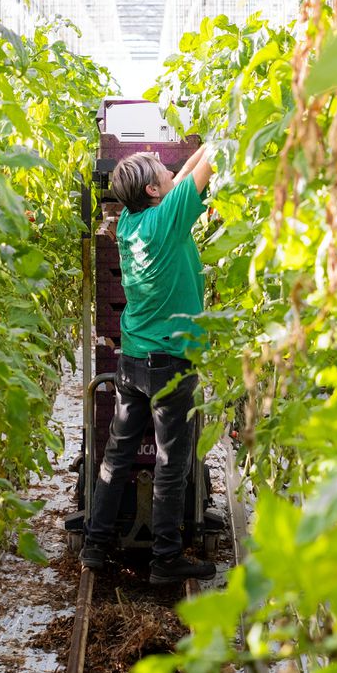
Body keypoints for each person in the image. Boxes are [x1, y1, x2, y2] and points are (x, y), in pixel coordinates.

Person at [81, 143, 216, 585]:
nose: (169, 168)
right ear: (154, 188)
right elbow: (208, 164)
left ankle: (95, 546)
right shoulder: (167, 221)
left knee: (116, 456)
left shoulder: (131, 223)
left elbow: (179, 181)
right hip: (169, 361)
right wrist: (227, 128)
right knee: (171, 462)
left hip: (133, 358)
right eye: (162, 168)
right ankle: (164, 559)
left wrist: (176, 173)